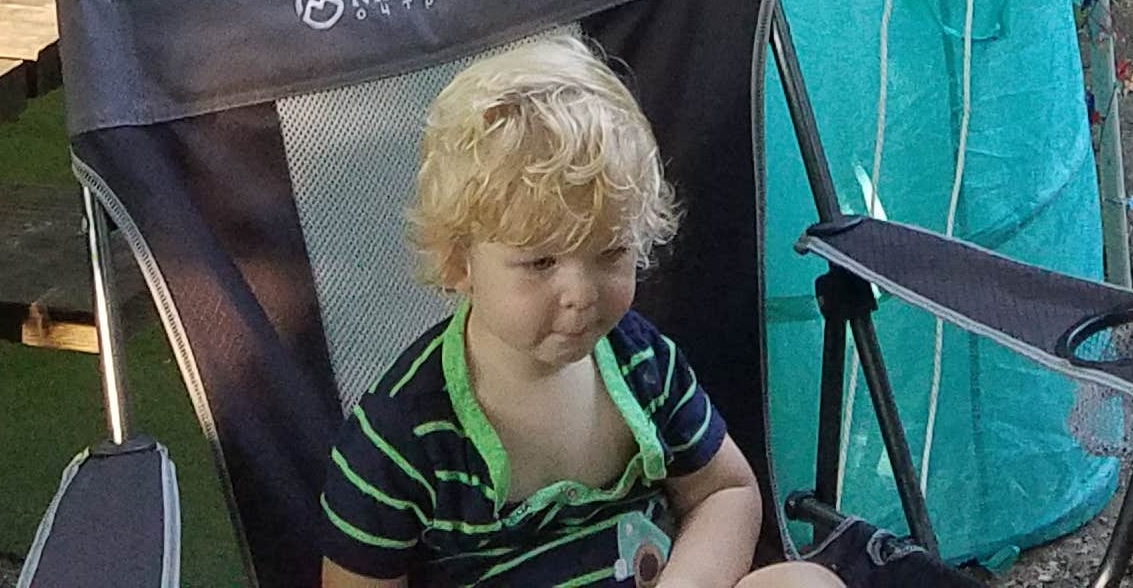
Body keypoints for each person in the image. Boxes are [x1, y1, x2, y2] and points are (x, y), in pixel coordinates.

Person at [319, 34, 831, 588]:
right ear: (458, 262)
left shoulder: (642, 365)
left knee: (807, 584)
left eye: (611, 251)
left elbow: (726, 491)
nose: (581, 293)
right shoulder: (399, 438)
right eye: (541, 262)